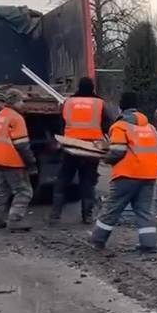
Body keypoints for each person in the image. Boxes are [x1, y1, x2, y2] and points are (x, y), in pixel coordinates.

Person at [91, 91, 157, 253]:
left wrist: (105, 159)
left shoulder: (120, 126)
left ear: (121, 108)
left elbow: (117, 151)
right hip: (149, 175)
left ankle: (97, 240)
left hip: (127, 175)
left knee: (112, 208)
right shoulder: (150, 128)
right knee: (145, 210)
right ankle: (149, 244)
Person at [50, 77, 113, 224]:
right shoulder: (99, 103)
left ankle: (55, 215)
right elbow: (108, 125)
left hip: (70, 147)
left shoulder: (68, 102)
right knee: (87, 182)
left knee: (63, 180)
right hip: (90, 149)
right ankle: (87, 216)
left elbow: (60, 123)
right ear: (92, 88)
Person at [0, 90, 37, 232]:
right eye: (21, 101)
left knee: (2, 190)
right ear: (15, 101)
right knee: (24, 191)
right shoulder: (17, 118)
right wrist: (31, 163)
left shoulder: (0, 115)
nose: (23, 104)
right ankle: (15, 220)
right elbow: (22, 145)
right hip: (12, 160)